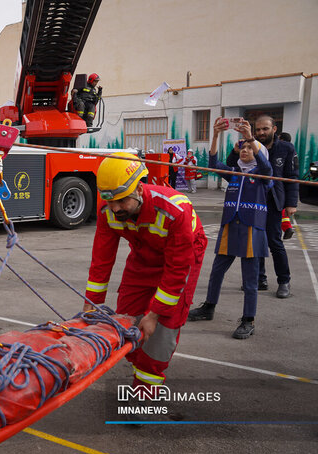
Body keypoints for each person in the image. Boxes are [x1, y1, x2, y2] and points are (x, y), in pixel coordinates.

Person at [83, 153, 207, 389]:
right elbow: (101, 259)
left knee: (163, 328)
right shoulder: (107, 210)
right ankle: (138, 362)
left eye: (122, 201)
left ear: (139, 189)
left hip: (185, 255)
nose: (115, 208)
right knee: (127, 318)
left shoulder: (174, 210)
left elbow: (177, 270)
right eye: (110, 201)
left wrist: (155, 314)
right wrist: (92, 303)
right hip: (143, 255)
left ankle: (146, 389)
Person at [188, 118, 271, 339]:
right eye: (242, 147)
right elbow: (213, 163)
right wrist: (215, 135)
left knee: (250, 280)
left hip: (252, 230)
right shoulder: (234, 172)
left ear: (258, 151)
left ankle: (248, 320)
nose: (245, 150)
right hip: (229, 228)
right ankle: (208, 307)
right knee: (216, 272)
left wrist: (251, 137)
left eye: (250, 148)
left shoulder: (264, 176)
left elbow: (267, 167)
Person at [226, 116, 298, 298]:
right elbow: (230, 166)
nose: (261, 133)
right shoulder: (249, 144)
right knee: (255, 240)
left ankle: (284, 281)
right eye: (257, 129)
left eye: (265, 129)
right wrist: (236, 151)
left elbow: (292, 176)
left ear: (274, 129)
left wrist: (291, 203)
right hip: (253, 200)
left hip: (274, 202)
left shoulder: (286, 148)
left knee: (274, 242)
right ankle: (260, 279)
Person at [277, 132, 295, 240]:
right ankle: (287, 227)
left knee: (281, 209)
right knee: (283, 211)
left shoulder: (287, 150)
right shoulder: (291, 149)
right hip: (283, 187)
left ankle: (287, 228)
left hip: (281, 186)